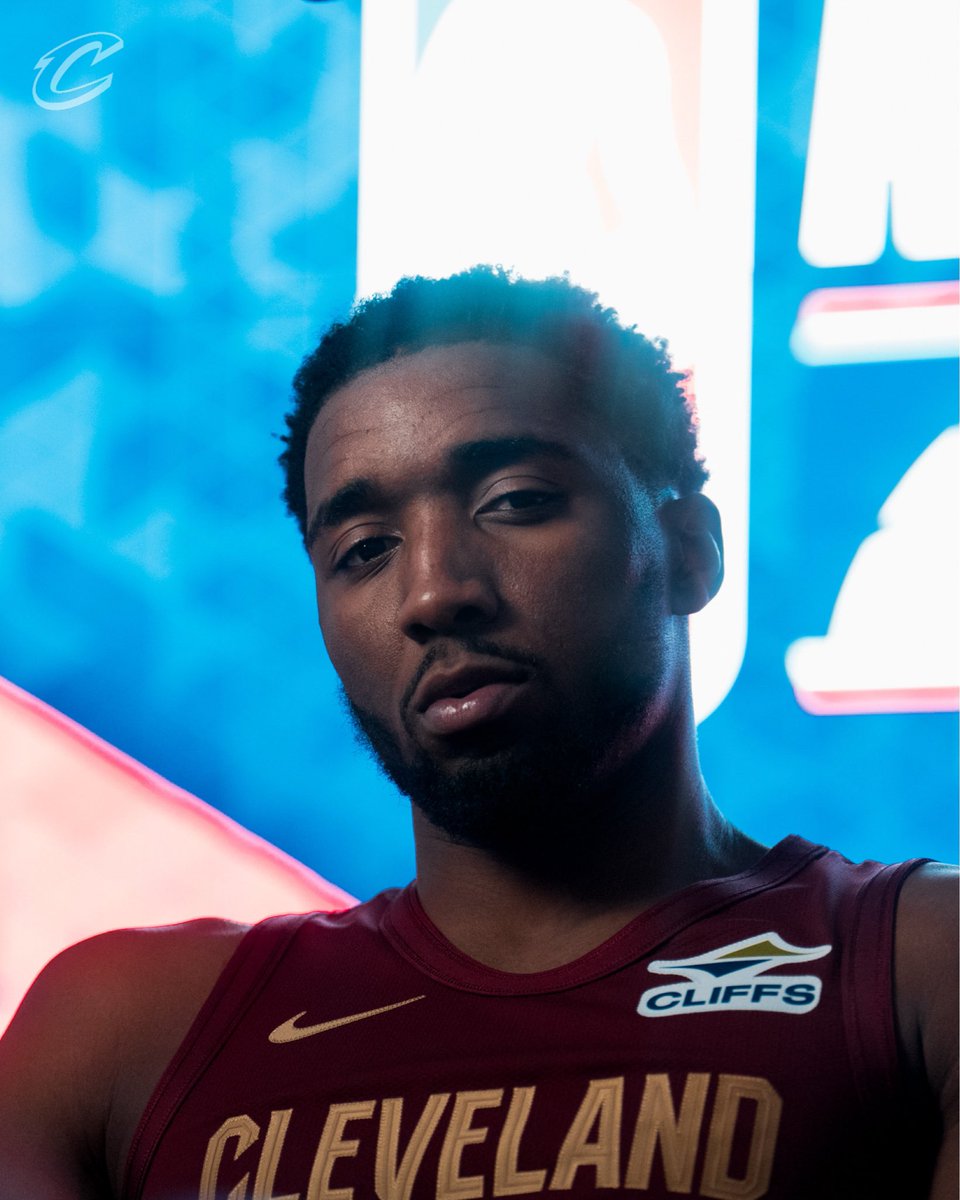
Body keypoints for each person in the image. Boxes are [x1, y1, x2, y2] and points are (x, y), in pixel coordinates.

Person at [0, 267, 955, 1199]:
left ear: (690, 551)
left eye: (515, 501)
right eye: (365, 550)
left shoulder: (918, 967)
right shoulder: (118, 1038)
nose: (433, 592)